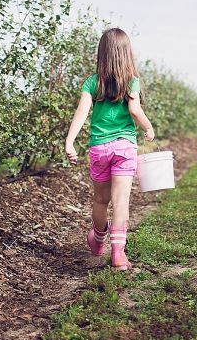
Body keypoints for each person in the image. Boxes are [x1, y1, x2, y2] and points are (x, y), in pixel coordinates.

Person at [65, 28, 155, 270]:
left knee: (101, 200)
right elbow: (135, 111)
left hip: (99, 149)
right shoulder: (132, 81)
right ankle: (118, 254)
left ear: (102, 52)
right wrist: (148, 127)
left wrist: (69, 141)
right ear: (127, 53)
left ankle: (98, 238)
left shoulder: (92, 82)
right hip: (125, 147)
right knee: (121, 200)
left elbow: (82, 112)